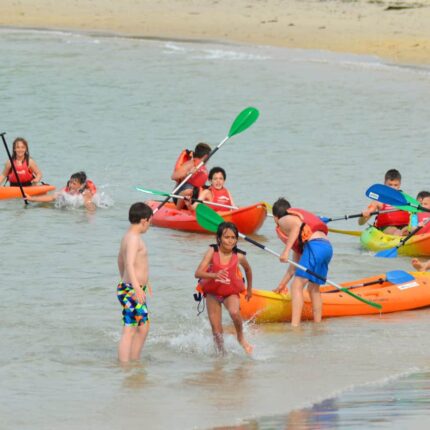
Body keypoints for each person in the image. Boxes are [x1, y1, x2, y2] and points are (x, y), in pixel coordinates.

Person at [272, 198, 333, 327]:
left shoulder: (283, 220)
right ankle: (318, 325)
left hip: (315, 247)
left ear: (275, 217)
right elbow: (294, 266)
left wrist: (285, 251)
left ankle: (295, 326)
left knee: (296, 286)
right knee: (313, 288)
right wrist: (281, 285)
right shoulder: (302, 238)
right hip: (326, 248)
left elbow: (295, 226)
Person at [195, 221, 253, 355]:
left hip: (230, 293)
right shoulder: (212, 251)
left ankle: (240, 337)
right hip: (213, 294)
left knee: (234, 312)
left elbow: (248, 270)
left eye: (233, 238)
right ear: (219, 238)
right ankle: (221, 357)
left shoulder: (239, 256)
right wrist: (214, 275)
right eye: (227, 237)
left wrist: (249, 289)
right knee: (216, 331)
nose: (230, 241)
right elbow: (197, 273)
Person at [117, 202, 153, 363]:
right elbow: (130, 263)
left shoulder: (128, 236)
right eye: (150, 222)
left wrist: (145, 282)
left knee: (142, 327)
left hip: (131, 287)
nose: (149, 226)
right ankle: (126, 364)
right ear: (144, 220)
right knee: (130, 329)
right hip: (132, 289)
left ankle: (134, 359)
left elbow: (120, 261)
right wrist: (136, 286)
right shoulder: (133, 238)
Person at [358, 169, 408, 235]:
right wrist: (363, 216)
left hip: (404, 226)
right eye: (390, 185)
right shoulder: (378, 200)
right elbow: (361, 223)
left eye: (396, 185)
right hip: (387, 227)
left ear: (399, 185)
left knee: (409, 230)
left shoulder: (405, 199)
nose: (393, 188)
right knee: (396, 232)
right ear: (384, 184)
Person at [26, 171, 97, 211]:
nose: (71, 185)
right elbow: (52, 197)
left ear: (81, 185)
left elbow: (90, 207)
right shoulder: (66, 190)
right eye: (70, 182)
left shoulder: (86, 193)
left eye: (74, 184)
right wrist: (32, 199)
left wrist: (89, 219)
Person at [171, 142, 211, 209]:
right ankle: (178, 210)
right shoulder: (190, 164)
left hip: (193, 197)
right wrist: (188, 173)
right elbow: (174, 176)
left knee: (208, 192)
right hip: (180, 196)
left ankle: (209, 211)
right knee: (189, 191)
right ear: (206, 156)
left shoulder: (202, 168)